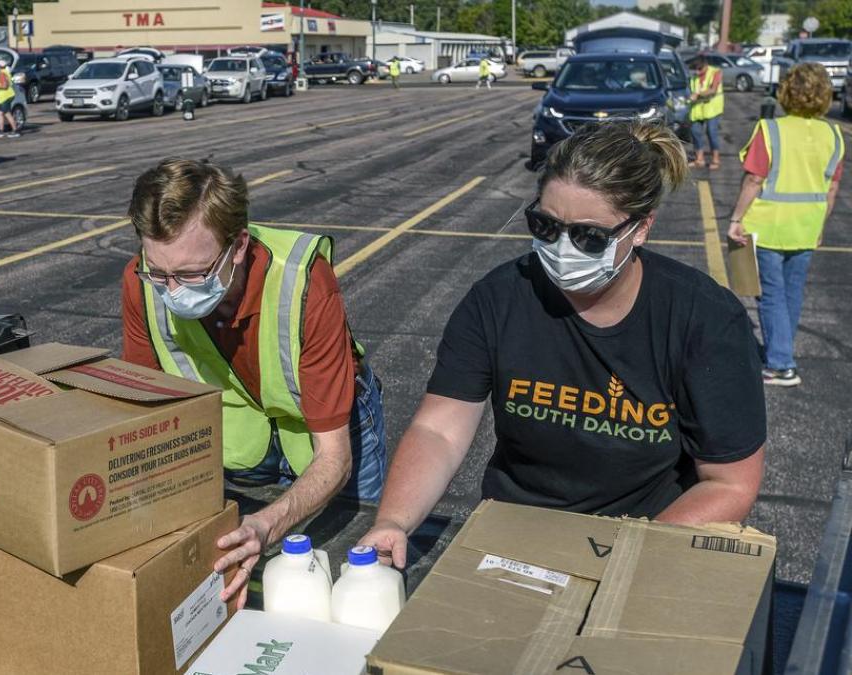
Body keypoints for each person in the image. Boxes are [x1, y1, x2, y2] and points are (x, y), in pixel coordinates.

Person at [359, 122, 766, 568]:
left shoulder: (704, 320)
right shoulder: (499, 299)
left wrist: (626, 556)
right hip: (516, 537)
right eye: (546, 225)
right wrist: (395, 521)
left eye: (589, 237)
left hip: (645, 540)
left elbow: (729, 483)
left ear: (642, 228)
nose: (562, 248)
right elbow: (439, 429)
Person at [121, 159, 387, 605]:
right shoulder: (141, 282)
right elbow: (148, 414)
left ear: (238, 245)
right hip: (243, 438)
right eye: (159, 272)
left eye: (192, 274)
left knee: (352, 566)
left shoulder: (303, 282)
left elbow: (334, 459)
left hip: (326, 428)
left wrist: (266, 526)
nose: (172, 290)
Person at [728, 62, 844, 387]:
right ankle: (782, 351)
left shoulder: (771, 129)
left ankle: (781, 364)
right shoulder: (833, 134)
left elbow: (754, 179)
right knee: (791, 294)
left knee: (770, 294)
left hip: (769, 224)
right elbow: (831, 188)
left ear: (786, 92)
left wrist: (736, 218)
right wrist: (820, 225)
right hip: (806, 225)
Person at [688, 56, 724, 169]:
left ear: (706, 65)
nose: (697, 72)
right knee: (695, 132)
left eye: (699, 69)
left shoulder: (715, 72)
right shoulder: (694, 76)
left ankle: (716, 159)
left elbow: (713, 90)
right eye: (695, 69)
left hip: (712, 108)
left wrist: (698, 95)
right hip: (697, 109)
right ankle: (699, 159)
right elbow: (691, 90)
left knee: (711, 132)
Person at [0, 58, 21, 139]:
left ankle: (15, 130)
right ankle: (1, 130)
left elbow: (4, 85)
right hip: (3, 97)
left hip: (5, 97)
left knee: (7, 113)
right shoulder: (5, 72)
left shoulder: (2, 74)